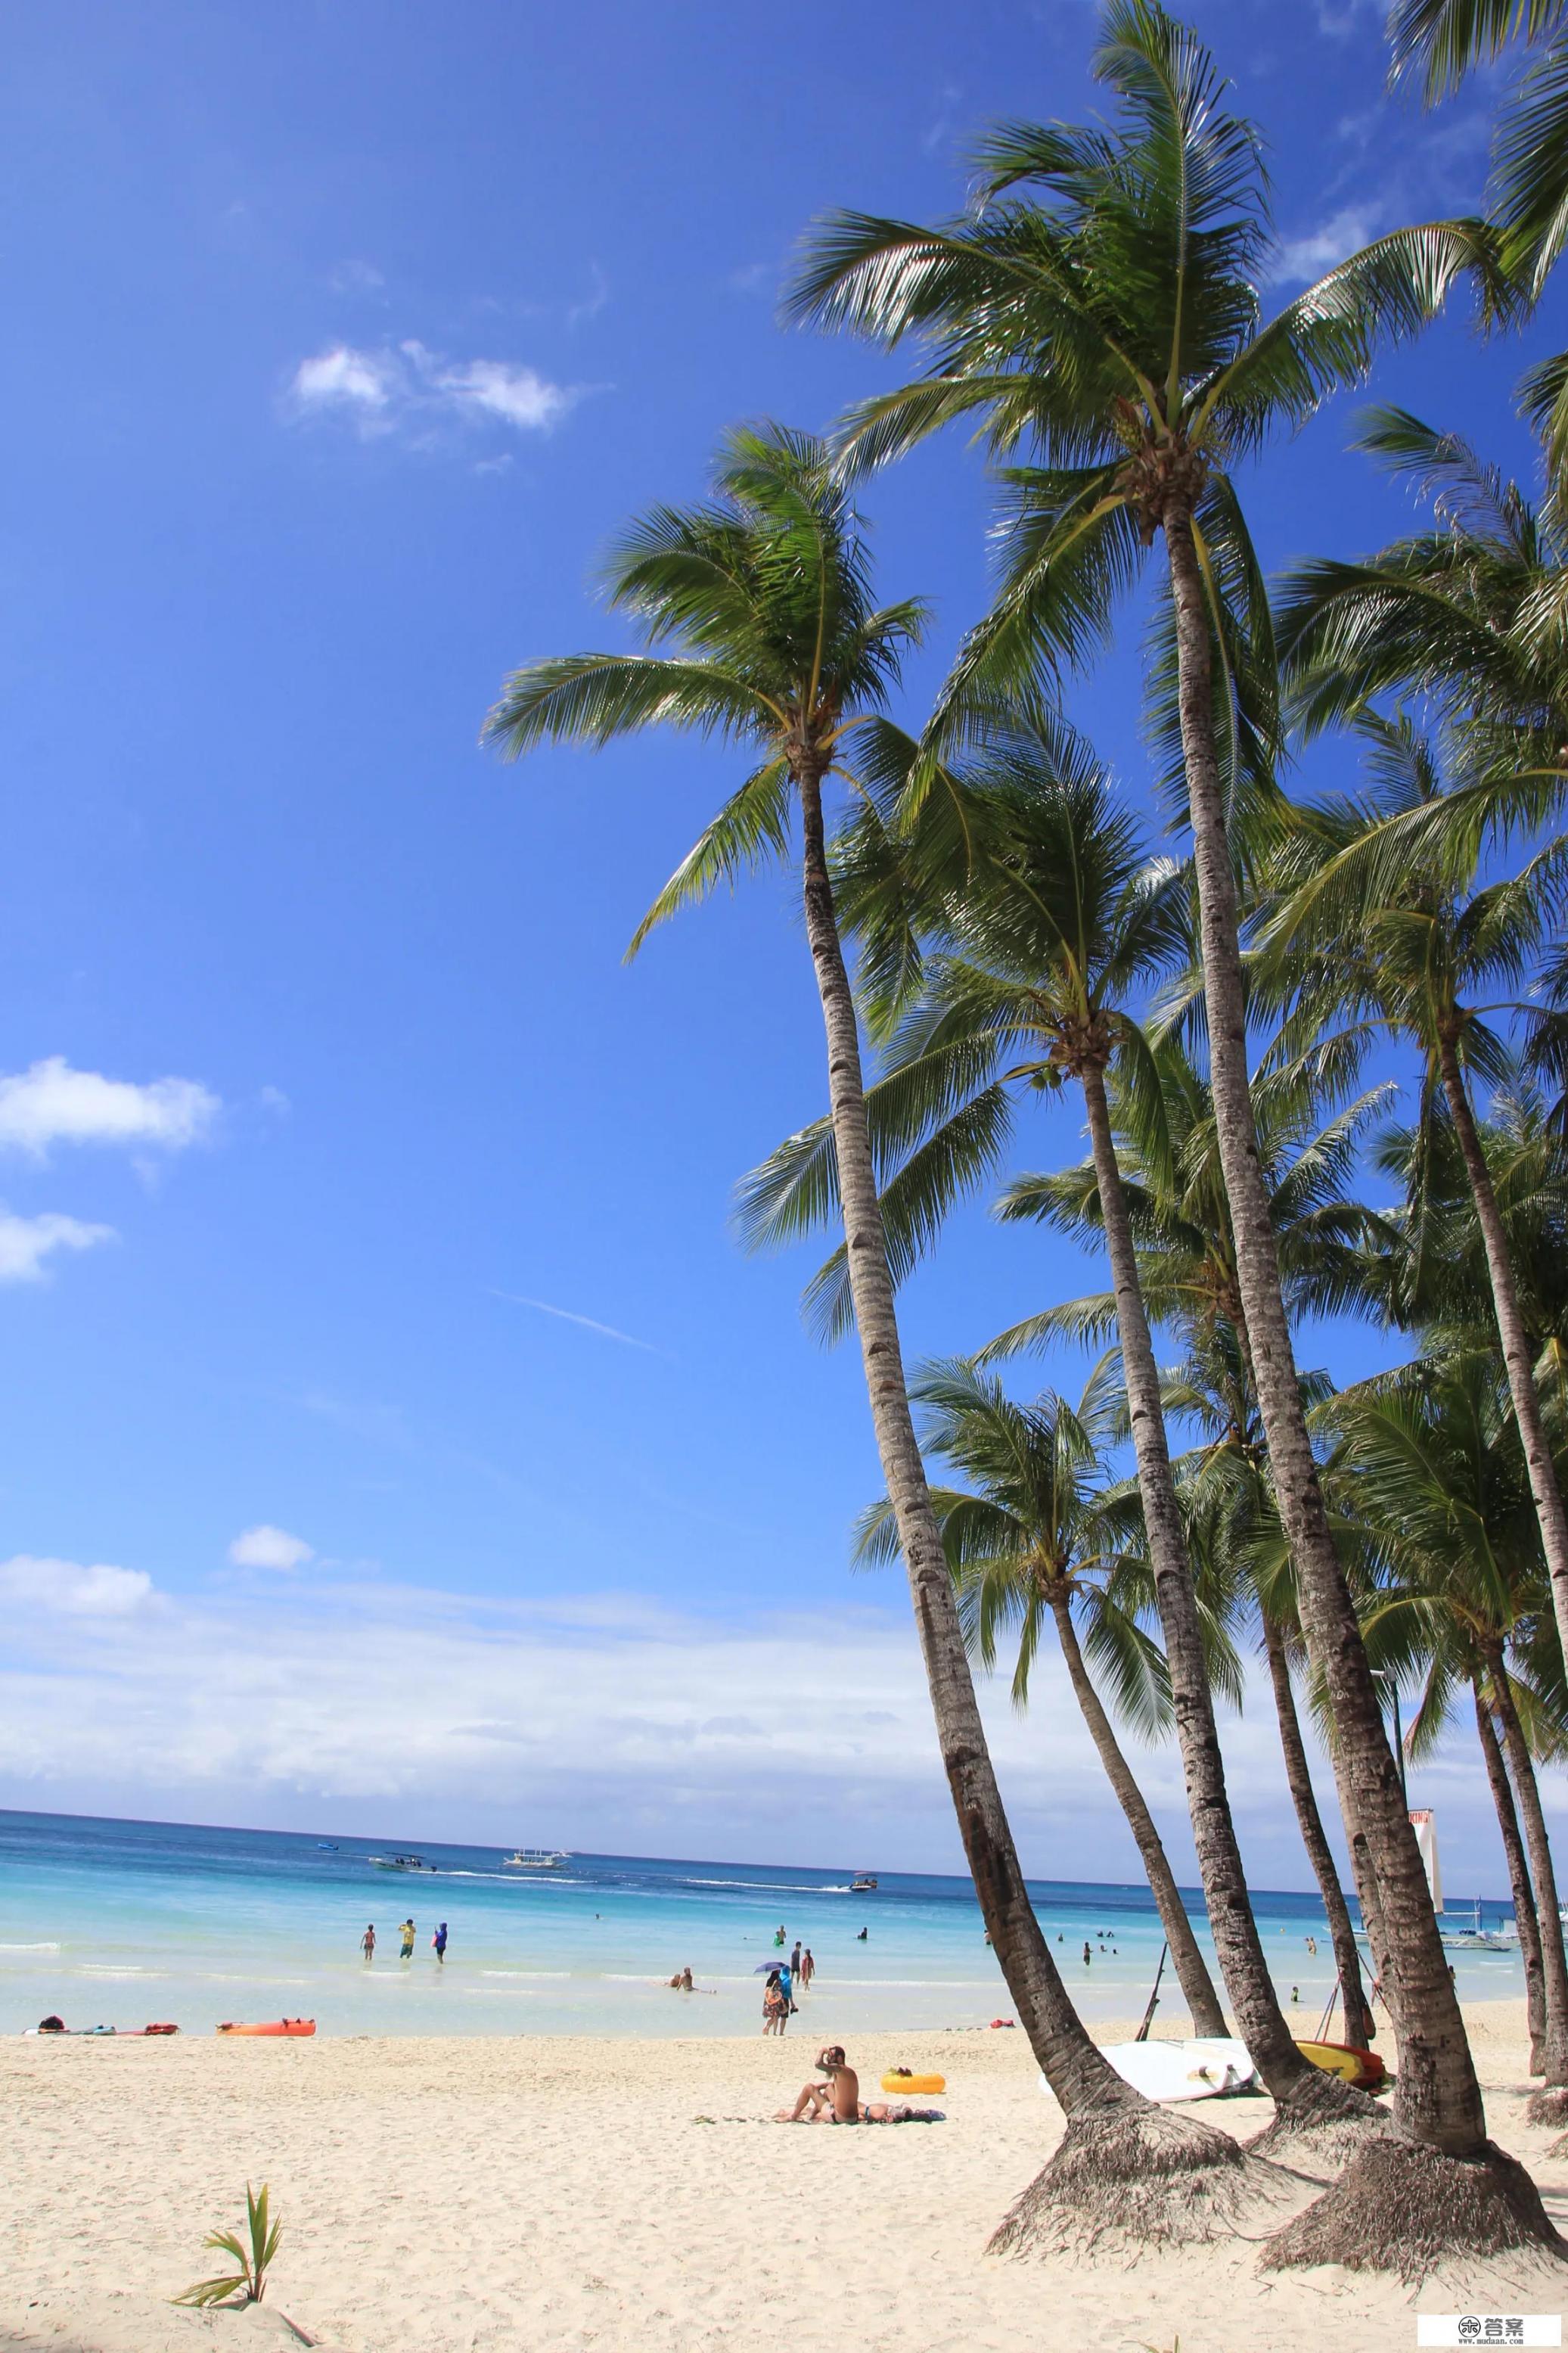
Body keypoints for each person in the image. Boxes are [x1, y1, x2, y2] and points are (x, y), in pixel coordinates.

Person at [775, 2045, 930, 2125]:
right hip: (851, 2118)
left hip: (840, 2117)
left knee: (809, 2088)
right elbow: (832, 2086)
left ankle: (793, 2116)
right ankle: (810, 2115)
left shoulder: (840, 2069)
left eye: (831, 2057)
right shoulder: (845, 2073)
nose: (829, 2060)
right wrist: (823, 2087)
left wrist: (821, 2052)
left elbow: (818, 2064)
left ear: (840, 2058)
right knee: (829, 2088)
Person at [762, 1970, 787, 2035]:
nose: (780, 1973)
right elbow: (779, 1992)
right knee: (776, 2016)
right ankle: (769, 2029)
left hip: (769, 2000)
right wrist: (783, 2003)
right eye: (779, 1972)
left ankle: (766, 2027)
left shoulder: (769, 1980)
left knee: (773, 2017)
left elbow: (766, 1990)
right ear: (777, 1973)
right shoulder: (778, 1981)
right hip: (776, 2001)